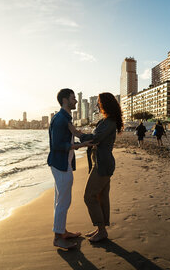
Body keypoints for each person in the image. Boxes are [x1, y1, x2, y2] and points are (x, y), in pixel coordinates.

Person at [47, 88, 92, 249]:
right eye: (74, 98)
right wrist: (82, 145)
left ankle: (61, 231)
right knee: (63, 201)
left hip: (62, 163)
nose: (76, 101)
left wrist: (90, 138)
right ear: (65, 100)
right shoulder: (60, 119)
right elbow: (58, 145)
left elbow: (75, 132)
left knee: (61, 200)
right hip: (60, 164)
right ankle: (57, 238)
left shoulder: (65, 117)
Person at [80, 92, 123, 243]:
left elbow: (95, 138)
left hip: (103, 164)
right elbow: (95, 138)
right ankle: (101, 229)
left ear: (105, 104)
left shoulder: (109, 122)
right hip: (102, 162)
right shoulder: (106, 121)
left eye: (99, 102)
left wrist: (77, 134)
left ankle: (102, 230)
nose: (97, 105)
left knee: (89, 196)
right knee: (101, 196)